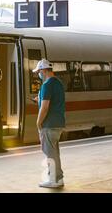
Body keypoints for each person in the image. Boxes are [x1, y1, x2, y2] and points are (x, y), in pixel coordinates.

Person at [33, 59, 66, 188]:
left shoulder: (46, 84)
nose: (38, 74)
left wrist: (38, 122)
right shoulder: (58, 83)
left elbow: (45, 107)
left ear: (43, 70)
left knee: (49, 153)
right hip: (58, 123)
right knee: (54, 152)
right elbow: (52, 101)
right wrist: (39, 99)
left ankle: (54, 180)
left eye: (39, 72)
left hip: (49, 124)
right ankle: (58, 178)